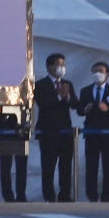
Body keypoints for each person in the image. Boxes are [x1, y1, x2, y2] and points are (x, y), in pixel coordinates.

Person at [34, 53, 77, 202]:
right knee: (48, 167)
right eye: (58, 64)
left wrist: (68, 97)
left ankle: (65, 194)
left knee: (65, 166)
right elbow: (43, 104)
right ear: (49, 66)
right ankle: (49, 196)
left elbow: (75, 105)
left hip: (65, 131)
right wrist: (59, 96)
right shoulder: (40, 85)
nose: (61, 68)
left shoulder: (67, 84)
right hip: (48, 132)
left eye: (63, 64)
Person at [77, 61, 109, 202]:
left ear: (107, 74)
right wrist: (85, 110)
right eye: (95, 71)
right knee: (91, 166)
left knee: (108, 166)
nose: (98, 74)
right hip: (91, 133)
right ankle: (92, 196)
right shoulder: (86, 90)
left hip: (108, 134)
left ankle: (107, 196)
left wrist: (107, 109)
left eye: (100, 71)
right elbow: (79, 110)